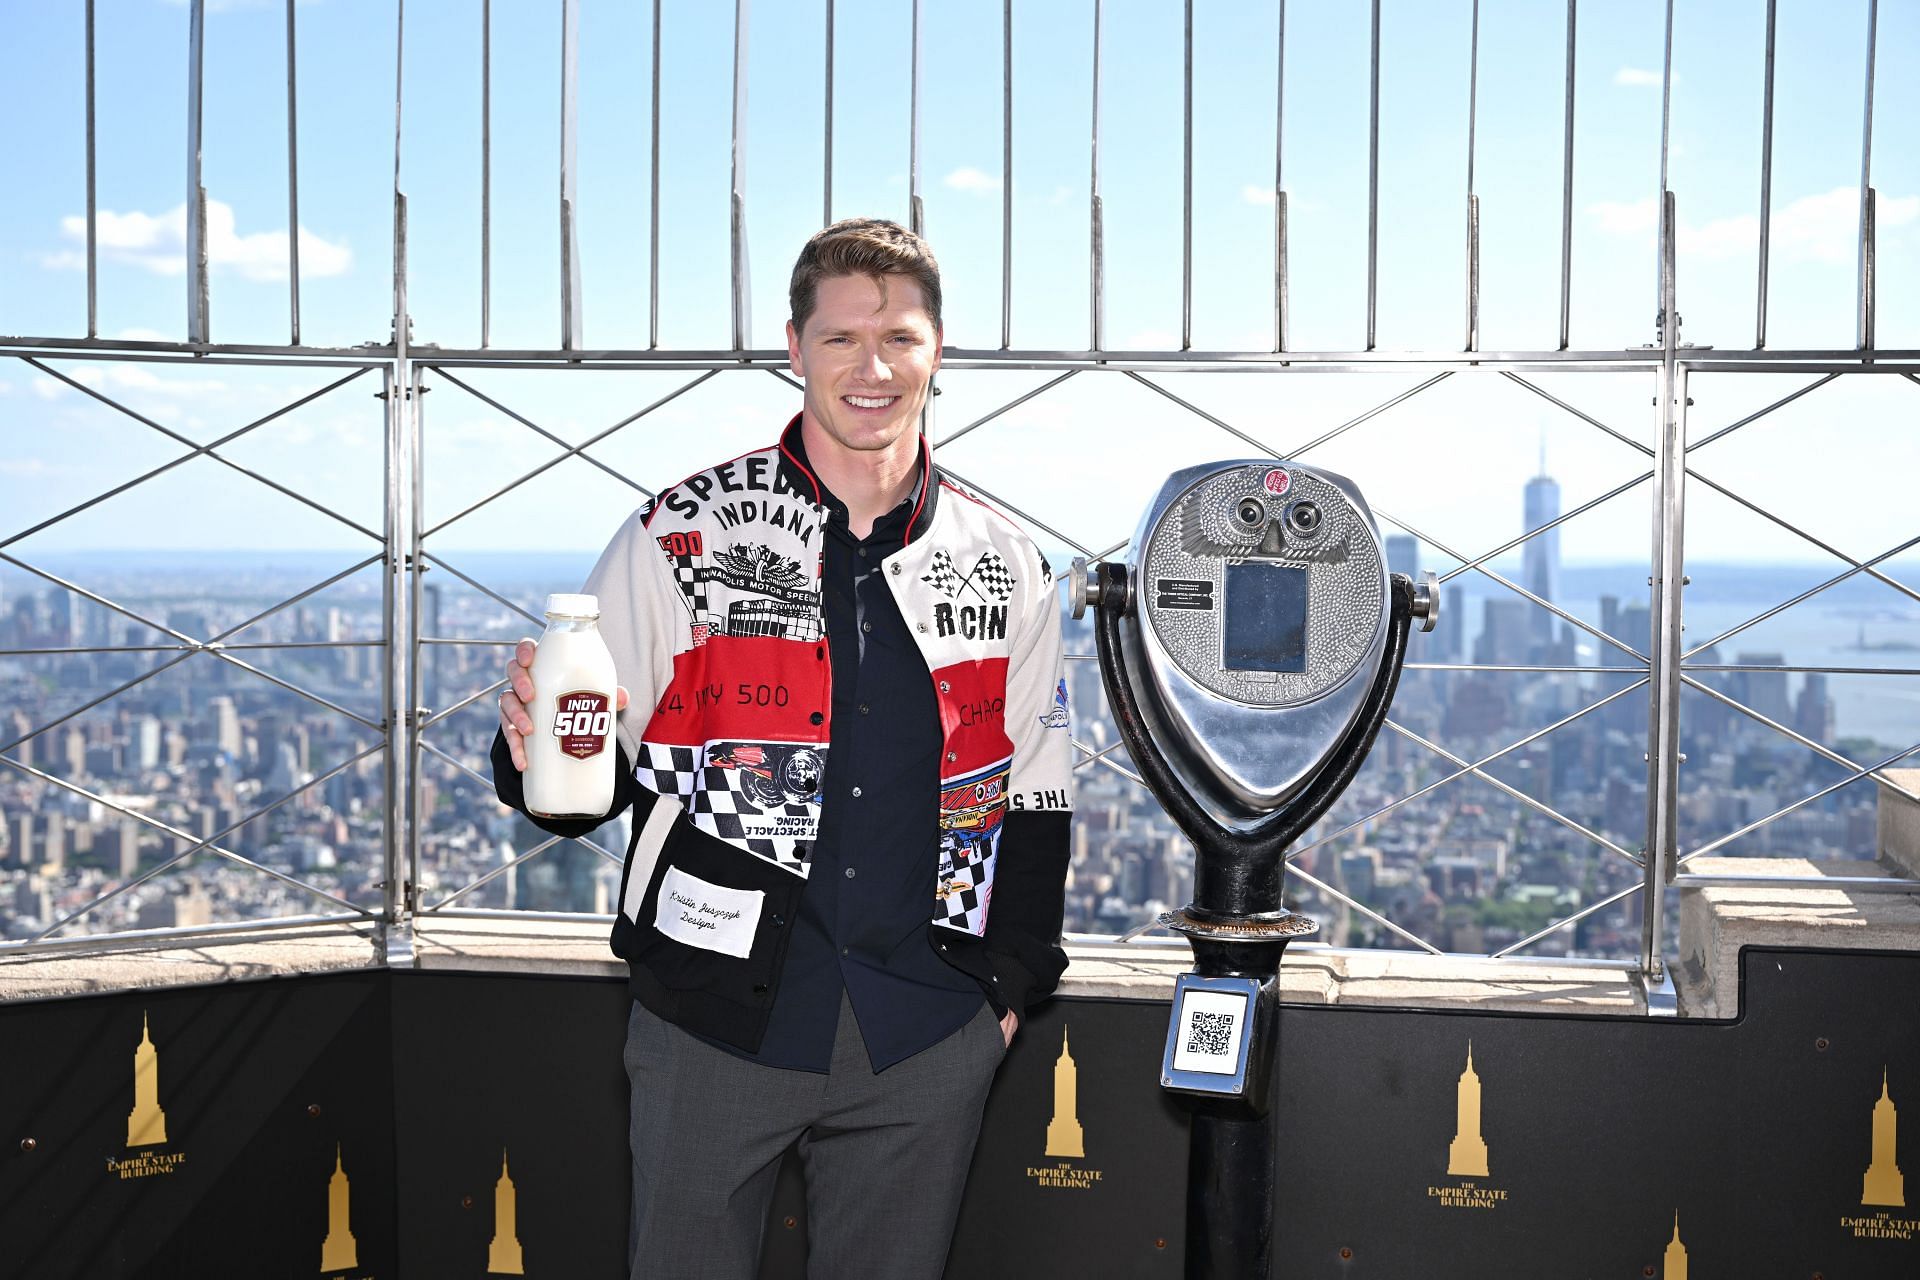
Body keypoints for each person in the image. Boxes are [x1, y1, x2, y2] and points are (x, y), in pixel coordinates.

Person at [491, 218, 1073, 1279]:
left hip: (925, 1026)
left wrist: (1004, 991)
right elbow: (586, 767)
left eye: (899, 337)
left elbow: (1037, 782)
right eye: (843, 337)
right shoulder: (687, 530)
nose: (873, 367)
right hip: (714, 1023)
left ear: (938, 350)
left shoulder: (1006, 559)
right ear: (794, 346)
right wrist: (530, 748)